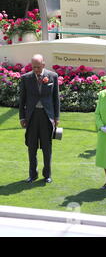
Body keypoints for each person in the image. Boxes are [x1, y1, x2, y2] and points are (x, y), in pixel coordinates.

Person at [19, 54, 60, 184]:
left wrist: (56, 117)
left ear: (43, 65)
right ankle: (32, 175)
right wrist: (22, 117)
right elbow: (22, 100)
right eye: (33, 67)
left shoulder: (53, 76)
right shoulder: (25, 78)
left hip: (47, 116)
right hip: (31, 116)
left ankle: (47, 175)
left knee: (47, 147)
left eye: (38, 67)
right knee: (31, 147)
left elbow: (56, 99)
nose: (36, 69)